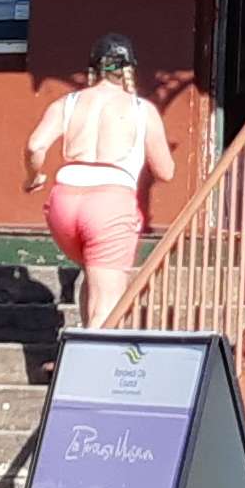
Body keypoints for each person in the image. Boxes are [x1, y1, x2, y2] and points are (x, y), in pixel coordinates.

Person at [24, 33, 175, 330]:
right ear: (129, 69)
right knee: (107, 302)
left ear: (93, 68)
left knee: (93, 273)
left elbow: (34, 147)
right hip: (110, 201)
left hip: (65, 201)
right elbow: (166, 172)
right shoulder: (141, 109)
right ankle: (94, 368)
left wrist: (33, 177)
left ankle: (83, 349)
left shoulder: (67, 103)